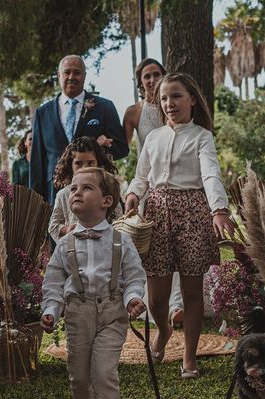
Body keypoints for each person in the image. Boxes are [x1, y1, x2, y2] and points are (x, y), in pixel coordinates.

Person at [125, 73, 235, 378]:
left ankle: (189, 357)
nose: (169, 103)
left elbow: (211, 174)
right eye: (164, 98)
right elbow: (141, 176)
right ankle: (163, 329)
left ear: (192, 99)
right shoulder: (153, 138)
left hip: (193, 214)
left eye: (176, 96)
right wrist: (134, 194)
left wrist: (219, 210)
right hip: (157, 214)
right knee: (157, 297)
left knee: (191, 292)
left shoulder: (203, 136)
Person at [40, 167, 146, 399]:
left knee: (103, 374)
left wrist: (132, 298)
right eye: (74, 188)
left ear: (106, 201)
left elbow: (134, 277)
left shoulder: (121, 241)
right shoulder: (64, 244)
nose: (76, 192)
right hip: (77, 315)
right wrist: (51, 309)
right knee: (78, 376)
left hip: (112, 313)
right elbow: (54, 282)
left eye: (86, 188)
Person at [122, 58, 184, 326]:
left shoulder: (173, 107)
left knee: (179, 245)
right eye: (146, 76)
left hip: (178, 186)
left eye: (156, 74)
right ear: (140, 82)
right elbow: (122, 149)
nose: (151, 79)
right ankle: (146, 300)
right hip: (146, 185)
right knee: (150, 248)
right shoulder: (134, 112)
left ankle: (177, 305)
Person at [30, 55, 129, 204]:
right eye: (67, 72)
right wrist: (36, 202)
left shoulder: (104, 107)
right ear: (59, 75)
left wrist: (100, 149)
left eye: (77, 72)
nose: (71, 77)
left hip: (96, 193)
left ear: (84, 76)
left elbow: (122, 148)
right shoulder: (42, 113)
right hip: (55, 194)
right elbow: (37, 162)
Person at [48, 136, 122, 243]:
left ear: (98, 163)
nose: (84, 168)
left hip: (104, 249)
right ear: (70, 165)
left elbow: (119, 221)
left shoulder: (107, 191)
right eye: (78, 163)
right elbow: (53, 225)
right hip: (73, 251)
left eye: (90, 163)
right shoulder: (63, 195)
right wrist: (67, 229)